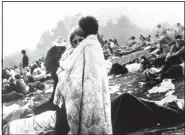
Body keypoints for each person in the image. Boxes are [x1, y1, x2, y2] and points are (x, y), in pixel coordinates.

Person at [53, 16, 112, 135]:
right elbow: (62, 70)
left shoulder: (87, 49)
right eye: (75, 42)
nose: (78, 43)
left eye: (80, 40)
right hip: (68, 93)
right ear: (71, 42)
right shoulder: (68, 55)